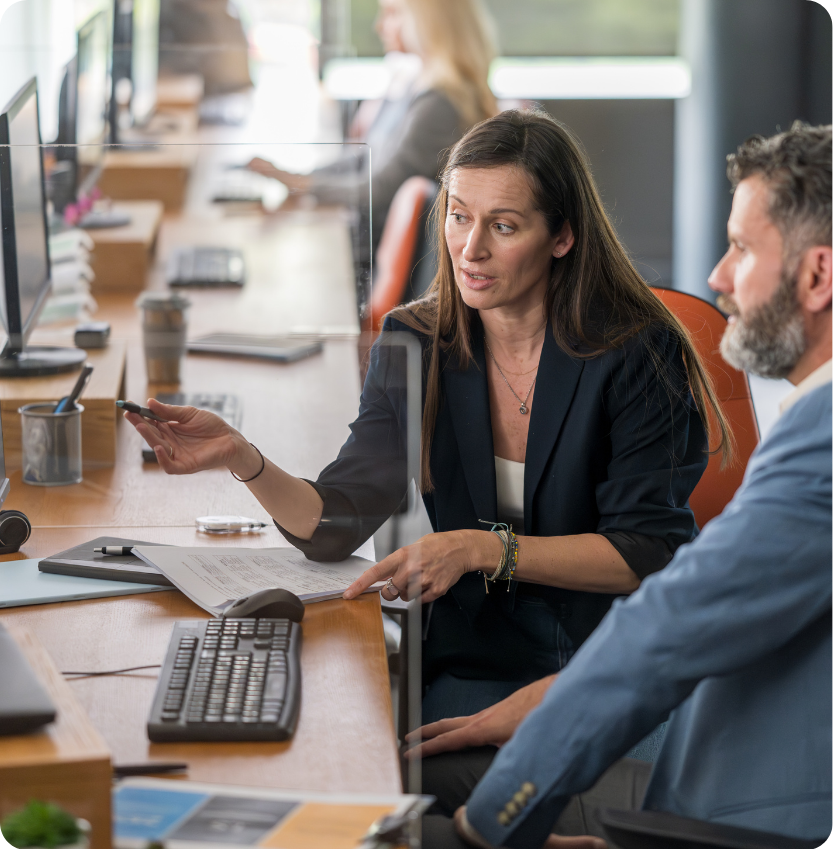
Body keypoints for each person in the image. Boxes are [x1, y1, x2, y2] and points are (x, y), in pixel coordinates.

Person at [125, 109, 728, 727]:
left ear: (562, 236)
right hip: (474, 656)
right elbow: (335, 522)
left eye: (504, 225)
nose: (471, 248)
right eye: (460, 216)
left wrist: (483, 549)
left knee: (430, 787)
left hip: (608, 657)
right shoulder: (415, 340)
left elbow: (645, 552)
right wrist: (240, 458)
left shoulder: (636, 352)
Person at [410, 121, 833, 848]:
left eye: (741, 248)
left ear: (816, 275)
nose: (716, 277)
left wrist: (489, 827)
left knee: (401, 803)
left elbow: (668, 626)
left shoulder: (820, 444)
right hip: (708, 730)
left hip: (754, 808)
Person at [246, 0, 498, 255]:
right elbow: (364, 157)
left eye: (392, 14)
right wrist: (298, 177)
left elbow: (377, 193)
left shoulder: (439, 105)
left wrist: (300, 183)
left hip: (377, 255)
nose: (379, 26)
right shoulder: (417, 83)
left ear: (428, 21)